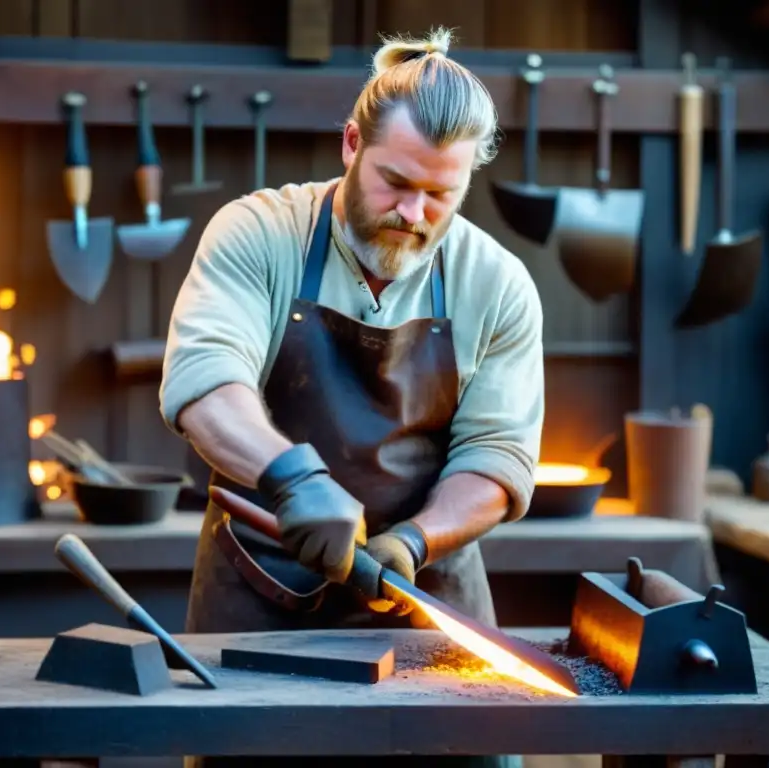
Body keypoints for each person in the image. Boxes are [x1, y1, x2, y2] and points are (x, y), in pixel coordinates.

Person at [160, 26, 543, 768]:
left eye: (441, 194)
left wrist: (411, 541)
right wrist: (293, 479)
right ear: (350, 146)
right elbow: (204, 382)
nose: (414, 214)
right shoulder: (260, 234)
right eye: (395, 183)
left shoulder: (496, 285)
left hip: (424, 607)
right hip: (258, 605)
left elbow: (498, 457)